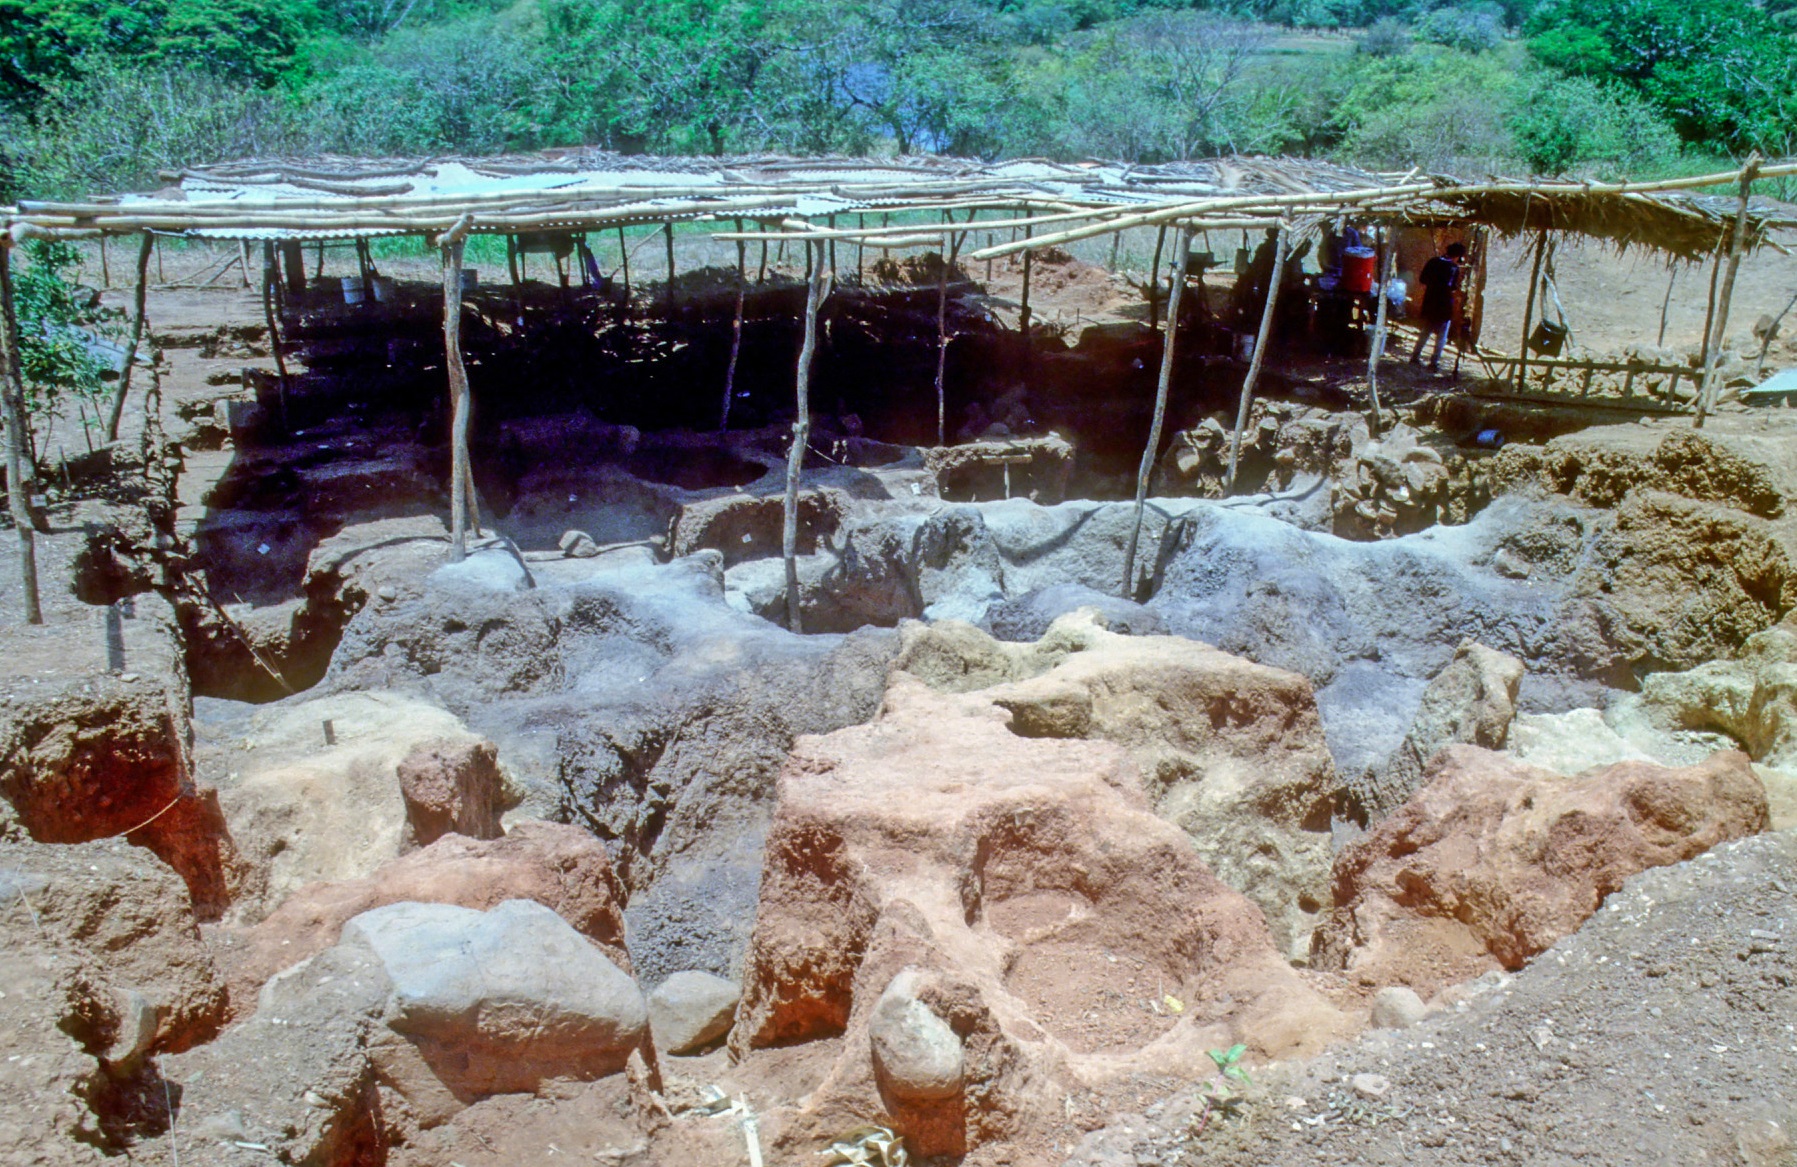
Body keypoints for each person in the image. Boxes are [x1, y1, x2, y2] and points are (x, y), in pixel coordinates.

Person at [1410, 241, 1466, 372]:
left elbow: (1423, 279)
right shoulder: (1453, 268)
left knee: (1426, 330)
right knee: (1442, 334)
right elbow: (1450, 286)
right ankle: (1434, 362)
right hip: (1443, 303)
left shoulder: (1433, 261)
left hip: (1430, 300)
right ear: (1457, 256)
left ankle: (1415, 356)